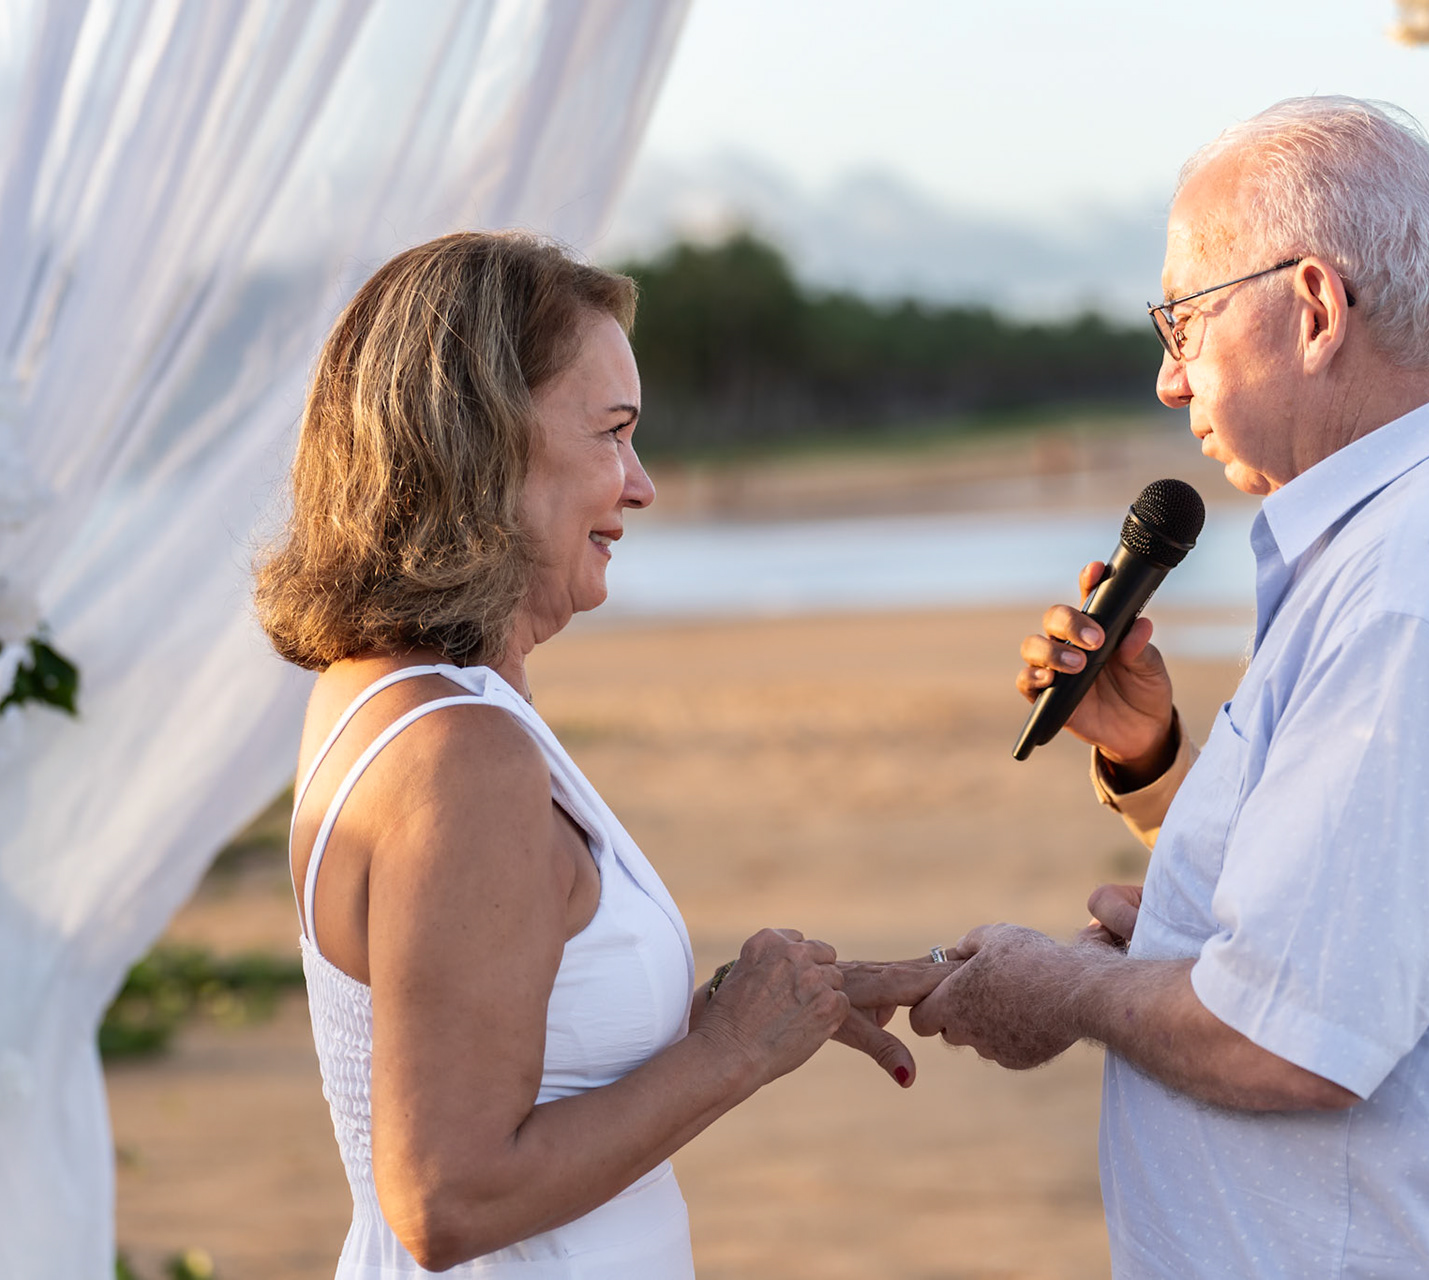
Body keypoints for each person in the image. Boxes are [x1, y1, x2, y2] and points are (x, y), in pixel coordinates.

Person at [911, 97, 1429, 1276]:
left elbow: (1290, 1041)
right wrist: (1179, 922)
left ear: (1316, 308)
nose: (1171, 381)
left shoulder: (1427, 569)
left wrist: (1067, 989)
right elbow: (1427, 940)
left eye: (1182, 322)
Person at [254, 232, 948, 1277]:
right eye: (612, 435)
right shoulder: (458, 750)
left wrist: (756, 1007)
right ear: (481, 444)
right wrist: (729, 1054)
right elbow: (446, 1195)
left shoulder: (397, 693)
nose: (642, 485)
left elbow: (511, 1012)